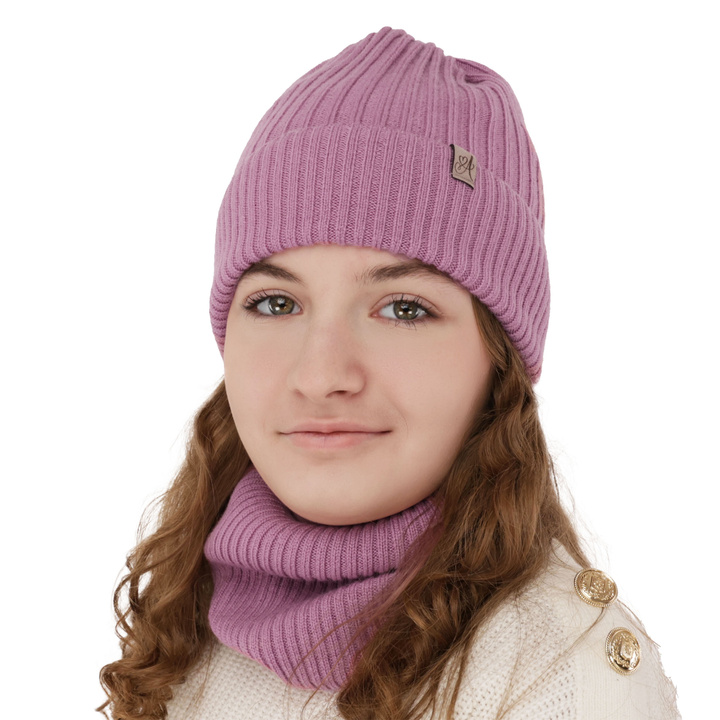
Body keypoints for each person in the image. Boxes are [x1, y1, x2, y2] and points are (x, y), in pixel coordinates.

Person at [98, 26, 680, 720]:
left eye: (404, 308)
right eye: (276, 303)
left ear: (498, 360)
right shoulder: (184, 621)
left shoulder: (563, 676)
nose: (321, 375)